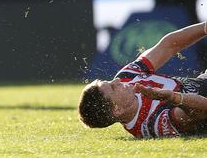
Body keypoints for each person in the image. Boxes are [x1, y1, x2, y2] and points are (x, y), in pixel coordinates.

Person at [78, 22, 207, 138]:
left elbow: (168, 45)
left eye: (110, 82)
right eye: (113, 87)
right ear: (117, 110)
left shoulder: (126, 77)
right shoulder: (151, 124)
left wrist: (204, 27)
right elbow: (202, 111)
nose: (117, 81)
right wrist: (173, 97)